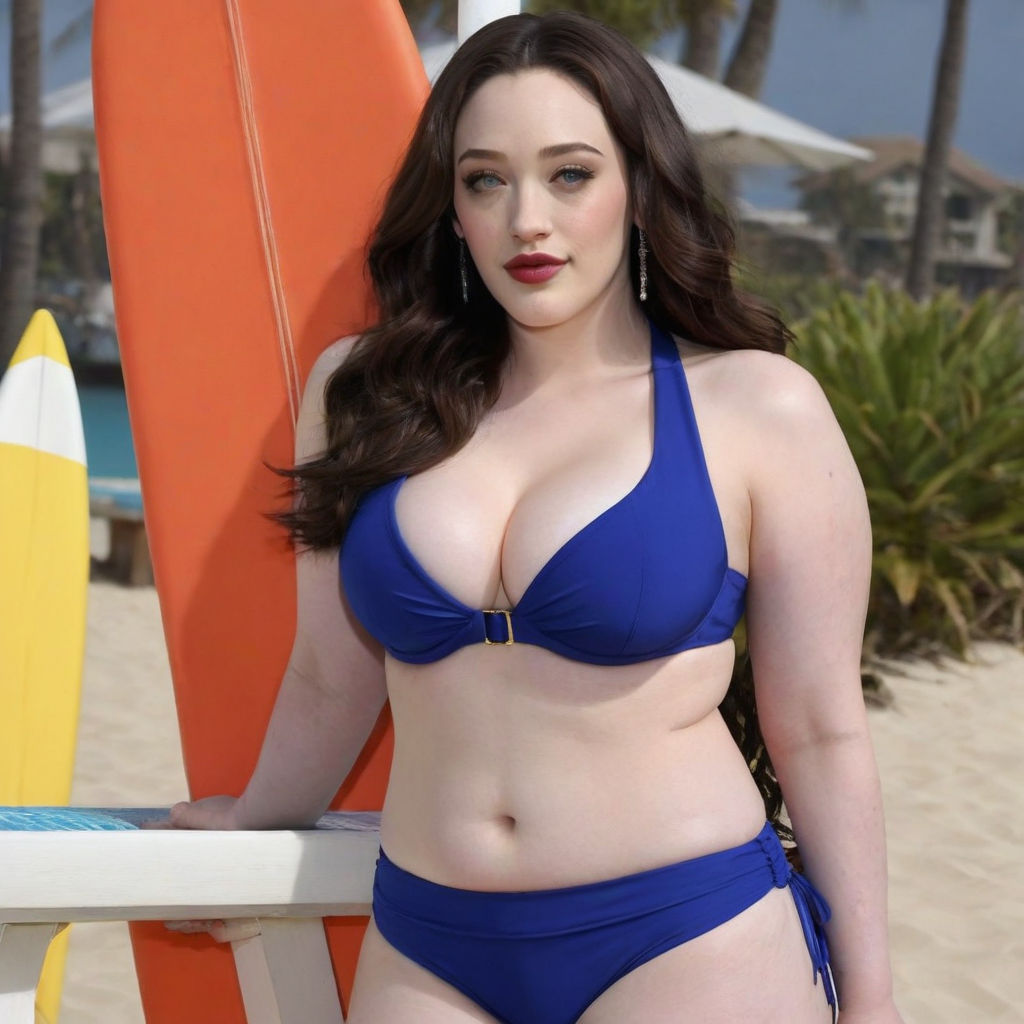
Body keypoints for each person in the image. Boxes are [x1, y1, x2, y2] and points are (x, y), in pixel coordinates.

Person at [167, 12, 902, 1024]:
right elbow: (329, 674)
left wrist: (871, 998)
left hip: (684, 937)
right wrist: (254, 820)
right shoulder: (364, 394)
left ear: (639, 189)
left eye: (569, 174)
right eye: (485, 179)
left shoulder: (758, 407)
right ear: (451, 207)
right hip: (428, 944)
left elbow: (818, 729)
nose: (527, 221)